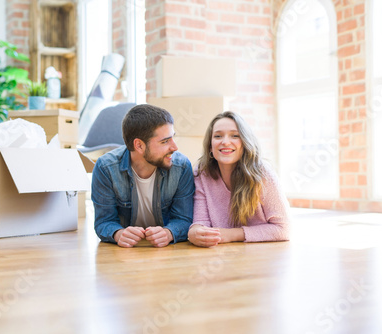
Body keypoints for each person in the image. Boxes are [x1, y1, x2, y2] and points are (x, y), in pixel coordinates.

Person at [92, 104, 195, 248]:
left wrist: (169, 233)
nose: (174, 147)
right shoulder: (106, 168)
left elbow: (184, 219)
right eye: (165, 141)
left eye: (172, 138)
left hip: (165, 252)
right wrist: (118, 233)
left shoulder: (181, 166)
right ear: (139, 146)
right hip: (126, 254)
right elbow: (103, 221)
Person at [188, 111, 290, 247]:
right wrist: (195, 232)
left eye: (235, 136)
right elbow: (200, 222)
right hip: (220, 255)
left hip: (262, 256)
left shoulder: (263, 173)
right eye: (218, 136)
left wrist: (231, 235)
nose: (225, 142)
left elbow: (283, 229)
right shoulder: (202, 173)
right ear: (210, 146)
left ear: (245, 143)